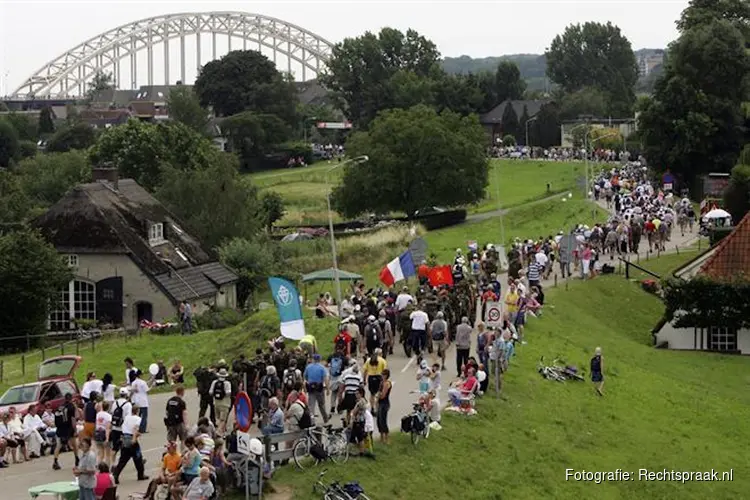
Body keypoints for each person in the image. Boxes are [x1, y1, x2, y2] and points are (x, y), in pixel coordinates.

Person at [112, 404, 148, 484]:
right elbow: (135, 428)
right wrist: (135, 438)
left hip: (124, 438)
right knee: (138, 457)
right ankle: (140, 475)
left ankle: (116, 474)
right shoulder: (138, 419)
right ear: (138, 411)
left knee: (123, 459)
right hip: (131, 439)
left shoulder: (127, 417)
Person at [53, 392, 78, 470]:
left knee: (59, 445)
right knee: (74, 444)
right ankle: (77, 459)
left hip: (60, 428)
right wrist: (75, 430)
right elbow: (73, 419)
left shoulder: (60, 407)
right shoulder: (71, 407)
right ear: (71, 399)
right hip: (68, 427)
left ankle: (55, 461)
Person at [303, 354, 329, 424]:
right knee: (321, 405)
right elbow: (325, 379)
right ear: (320, 359)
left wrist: (305, 387)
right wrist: (328, 389)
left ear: (313, 359)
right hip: (319, 387)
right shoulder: (322, 368)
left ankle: (312, 421)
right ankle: (325, 418)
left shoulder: (308, 367)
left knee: (311, 405)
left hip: (311, 387)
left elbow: (305, 378)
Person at [109, 388, 132, 464]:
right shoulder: (128, 404)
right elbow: (128, 417)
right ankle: (121, 463)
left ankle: (112, 463)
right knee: (125, 447)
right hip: (123, 429)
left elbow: (112, 413)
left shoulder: (115, 403)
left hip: (115, 427)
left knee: (114, 448)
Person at [208, 369, 232, 434]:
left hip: (216, 403)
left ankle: (223, 432)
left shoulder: (214, 382)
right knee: (223, 420)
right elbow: (228, 393)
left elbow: (210, 392)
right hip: (225, 404)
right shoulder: (227, 383)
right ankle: (218, 432)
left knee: (219, 419)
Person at [327, 345, 348, 415]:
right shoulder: (343, 357)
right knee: (340, 393)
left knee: (333, 393)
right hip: (340, 377)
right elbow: (346, 367)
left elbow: (327, 364)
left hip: (333, 377)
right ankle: (339, 407)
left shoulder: (331, 356)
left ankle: (332, 406)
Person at [376, 369, 392, 444]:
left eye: (383, 374)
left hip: (384, 403)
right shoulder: (382, 382)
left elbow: (383, 395)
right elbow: (379, 393)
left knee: (383, 420)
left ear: (386, 375)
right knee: (379, 420)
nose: (381, 376)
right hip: (380, 402)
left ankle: (387, 438)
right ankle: (381, 437)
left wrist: (378, 395)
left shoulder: (387, 383)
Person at [94, 401, 112, 465]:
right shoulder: (109, 416)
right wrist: (107, 439)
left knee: (100, 453)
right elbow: (108, 428)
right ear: (108, 408)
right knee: (107, 454)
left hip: (97, 433)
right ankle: (107, 469)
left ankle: (98, 465)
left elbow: (96, 424)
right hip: (104, 434)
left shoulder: (98, 414)